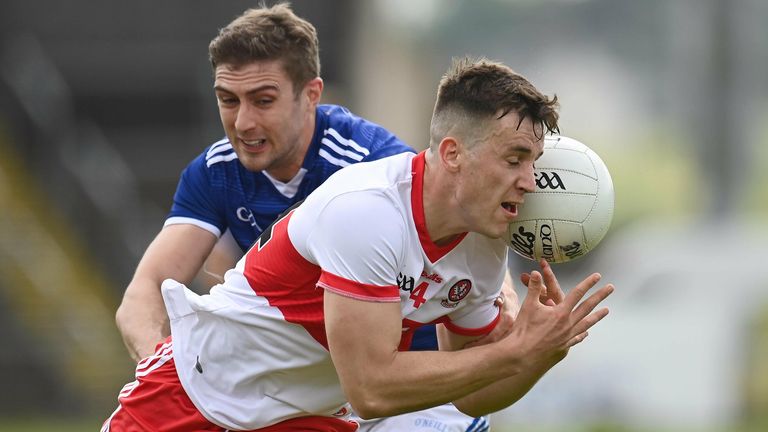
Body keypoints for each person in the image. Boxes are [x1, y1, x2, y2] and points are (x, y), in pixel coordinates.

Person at [103, 55, 614, 431]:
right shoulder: (367, 210)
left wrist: (540, 352)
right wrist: (515, 352)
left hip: (308, 417)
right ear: (454, 153)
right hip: (195, 400)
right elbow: (372, 387)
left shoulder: (484, 247)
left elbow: (471, 398)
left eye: (534, 162)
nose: (530, 180)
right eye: (515, 158)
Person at [112, 3, 506, 431]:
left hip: (412, 383)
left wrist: (505, 301)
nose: (243, 121)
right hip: (301, 391)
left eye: (263, 100)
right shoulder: (215, 172)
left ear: (311, 95)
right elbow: (147, 289)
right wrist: (178, 375)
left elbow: (467, 251)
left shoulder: (372, 168)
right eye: (228, 100)